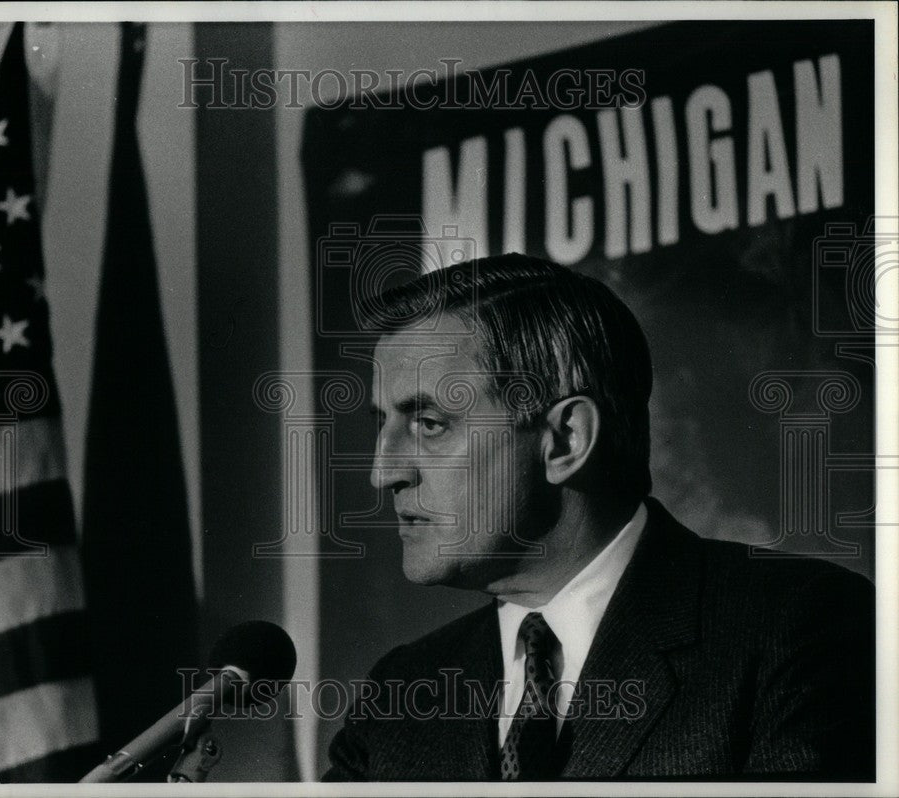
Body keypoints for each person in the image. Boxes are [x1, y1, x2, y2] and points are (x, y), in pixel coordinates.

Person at [323, 253, 875, 781]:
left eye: (430, 423)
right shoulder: (401, 692)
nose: (382, 471)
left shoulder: (800, 628)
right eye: (382, 424)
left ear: (566, 440)